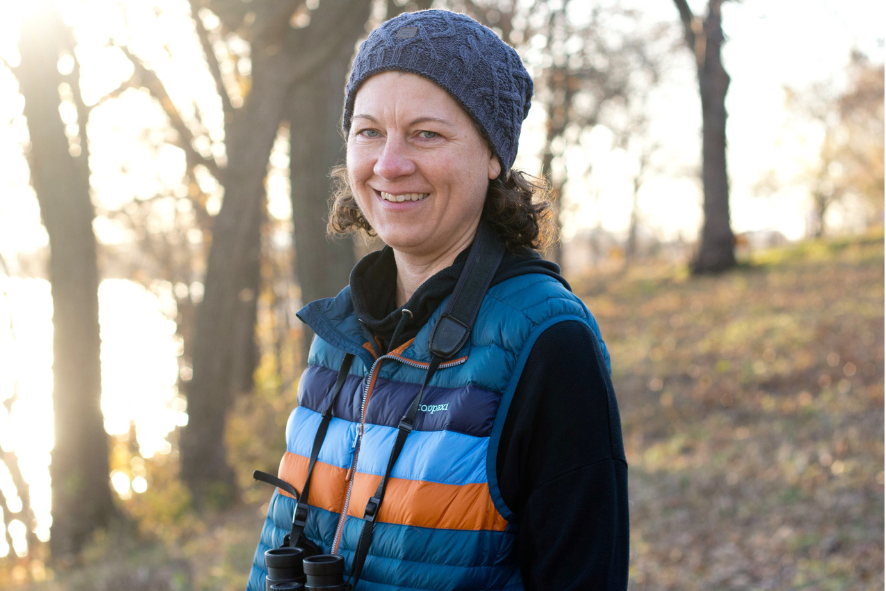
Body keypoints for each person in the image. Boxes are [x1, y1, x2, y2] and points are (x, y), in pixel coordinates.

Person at [248, 9, 628, 591]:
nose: (390, 164)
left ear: (493, 156)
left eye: (426, 133)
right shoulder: (340, 336)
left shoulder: (549, 341)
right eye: (369, 131)